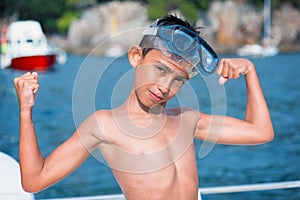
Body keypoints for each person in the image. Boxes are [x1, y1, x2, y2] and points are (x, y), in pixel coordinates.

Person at [14, 14, 274, 200]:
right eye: (160, 69)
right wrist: (26, 112)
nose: (165, 86)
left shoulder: (187, 120)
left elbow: (261, 132)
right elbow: (35, 179)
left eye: (178, 80)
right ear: (136, 56)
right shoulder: (105, 125)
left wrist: (250, 72)